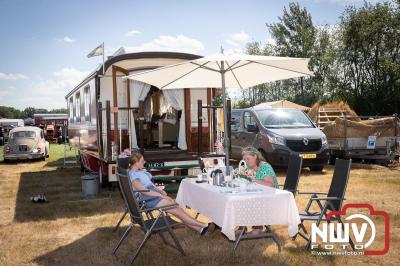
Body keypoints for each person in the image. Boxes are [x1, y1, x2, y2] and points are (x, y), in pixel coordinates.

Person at [128, 152, 210, 235]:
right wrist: (161, 195)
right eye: (142, 161)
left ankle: (200, 228)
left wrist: (159, 190)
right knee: (175, 208)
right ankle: (203, 225)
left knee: (175, 207)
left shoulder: (140, 171)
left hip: (151, 195)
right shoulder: (133, 175)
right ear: (136, 163)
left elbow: (150, 184)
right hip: (146, 199)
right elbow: (144, 190)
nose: (144, 162)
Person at [240, 146, 279, 235]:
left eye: (248, 159)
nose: (246, 161)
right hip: (259, 195)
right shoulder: (249, 168)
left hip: (271, 198)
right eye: (244, 159)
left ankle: (257, 226)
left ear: (255, 156)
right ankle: (242, 227)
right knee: (239, 199)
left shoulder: (265, 167)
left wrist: (253, 179)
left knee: (247, 201)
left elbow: (271, 185)